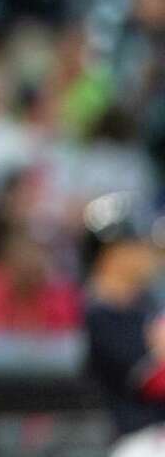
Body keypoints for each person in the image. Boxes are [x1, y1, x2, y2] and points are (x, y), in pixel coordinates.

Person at [82, 192, 165, 454]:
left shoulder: (148, 305)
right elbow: (151, 382)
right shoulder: (99, 316)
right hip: (135, 439)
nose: (148, 252)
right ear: (112, 254)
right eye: (137, 244)